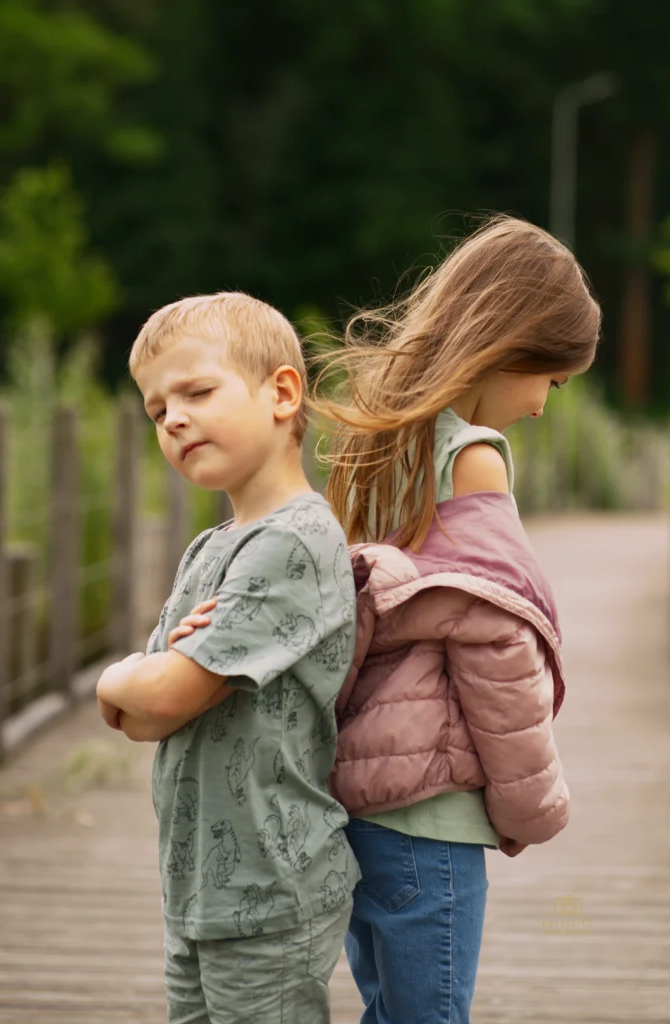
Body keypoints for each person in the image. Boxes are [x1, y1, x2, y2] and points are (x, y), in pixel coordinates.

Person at [310, 215, 602, 1024]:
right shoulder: (472, 453)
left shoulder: (384, 439)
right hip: (431, 813)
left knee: (386, 1010)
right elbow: (493, 636)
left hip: (360, 795)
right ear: (512, 348)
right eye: (554, 380)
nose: (545, 407)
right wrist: (533, 801)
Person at [95, 293, 360, 1024]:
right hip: (198, 890)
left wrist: (112, 675)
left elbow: (163, 696)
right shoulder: (208, 550)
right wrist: (136, 687)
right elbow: (139, 721)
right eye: (156, 411)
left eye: (197, 392)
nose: (173, 418)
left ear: (281, 393)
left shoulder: (293, 543)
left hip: (270, 892)